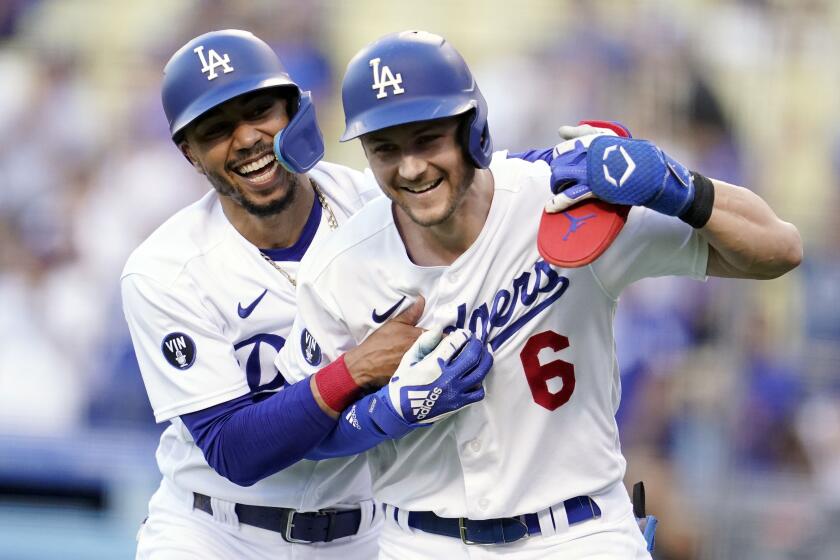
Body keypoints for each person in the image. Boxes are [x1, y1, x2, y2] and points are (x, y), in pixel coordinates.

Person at [274, 30, 802, 559]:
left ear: (472, 128)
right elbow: (302, 435)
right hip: (419, 541)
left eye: (427, 138)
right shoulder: (341, 264)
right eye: (386, 148)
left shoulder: (564, 199)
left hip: (579, 533)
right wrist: (385, 411)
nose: (410, 167)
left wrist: (677, 186)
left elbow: (778, 249)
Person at [122, 29, 585, 559]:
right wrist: (358, 371)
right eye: (217, 130)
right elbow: (234, 450)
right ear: (190, 154)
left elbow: (471, 179)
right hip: (215, 531)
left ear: (295, 110)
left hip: (366, 530)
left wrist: (558, 163)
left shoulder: (372, 203)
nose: (247, 137)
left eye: (259, 111)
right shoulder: (164, 270)